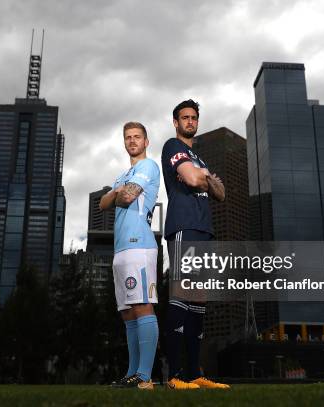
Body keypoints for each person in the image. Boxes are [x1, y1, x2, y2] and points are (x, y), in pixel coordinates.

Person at [160, 99, 229, 390]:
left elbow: (222, 193)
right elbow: (190, 179)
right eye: (184, 118)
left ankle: (193, 373)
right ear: (176, 122)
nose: (190, 122)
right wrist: (206, 180)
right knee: (181, 295)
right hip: (183, 226)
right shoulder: (172, 147)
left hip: (204, 231)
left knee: (198, 299)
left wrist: (205, 179)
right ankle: (174, 375)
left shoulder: (199, 159)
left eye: (194, 118)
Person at [100, 121, 161, 390]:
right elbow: (103, 204)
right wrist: (117, 192)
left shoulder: (148, 166)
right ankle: (132, 373)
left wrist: (116, 193)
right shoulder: (123, 174)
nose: (132, 141)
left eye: (137, 137)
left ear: (146, 142)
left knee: (142, 305)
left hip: (139, 245)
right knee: (127, 312)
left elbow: (125, 197)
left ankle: (145, 377)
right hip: (120, 249)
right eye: (128, 137)